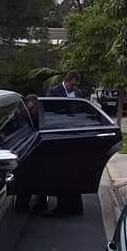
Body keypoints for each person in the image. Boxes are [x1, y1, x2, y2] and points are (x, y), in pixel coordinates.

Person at [45, 70, 84, 216]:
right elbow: (49, 112)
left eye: (75, 86)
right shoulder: (53, 92)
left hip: (75, 138)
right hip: (59, 136)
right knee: (61, 172)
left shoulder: (79, 94)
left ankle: (76, 206)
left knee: (75, 172)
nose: (72, 88)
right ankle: (62, 207)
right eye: (71, 86)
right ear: (66, 81)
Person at [15, 95, 48, 213]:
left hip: (37, 150)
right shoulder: (23, 116)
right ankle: (24, 203)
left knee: (37, 178)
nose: (32, 110)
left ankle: (40, 203)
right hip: (27, 149)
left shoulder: (39, 117)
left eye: (33, 108)